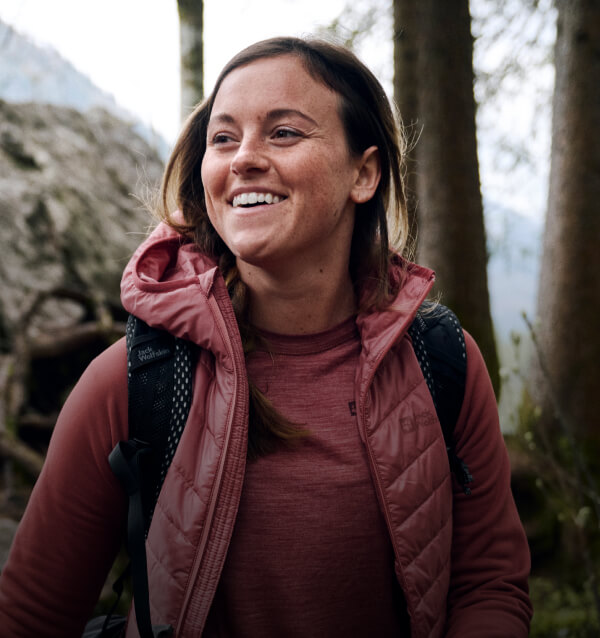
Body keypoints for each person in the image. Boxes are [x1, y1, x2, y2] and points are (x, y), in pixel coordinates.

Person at [0, 37, 532, 637]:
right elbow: (31, 618)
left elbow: (489, 586)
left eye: (283, 133)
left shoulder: (442, 362)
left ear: (364, 173)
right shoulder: (133, 380)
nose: (242, 158)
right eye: (223, 138)